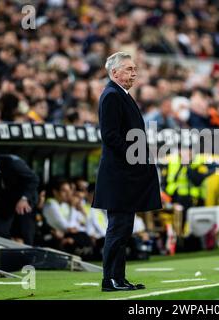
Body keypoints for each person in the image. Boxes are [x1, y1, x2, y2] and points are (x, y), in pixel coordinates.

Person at [92, 52, 162, 292]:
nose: (134, 73)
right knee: (118, 228)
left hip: (124, 175)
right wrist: (136, 155)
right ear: (114, 73)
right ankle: (109, 279)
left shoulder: (121, 95)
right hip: (118, 175)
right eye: (129, 69)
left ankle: (118, 278)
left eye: (135, 69)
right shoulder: (112, 95)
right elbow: (110, 136)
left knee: (123, 229)